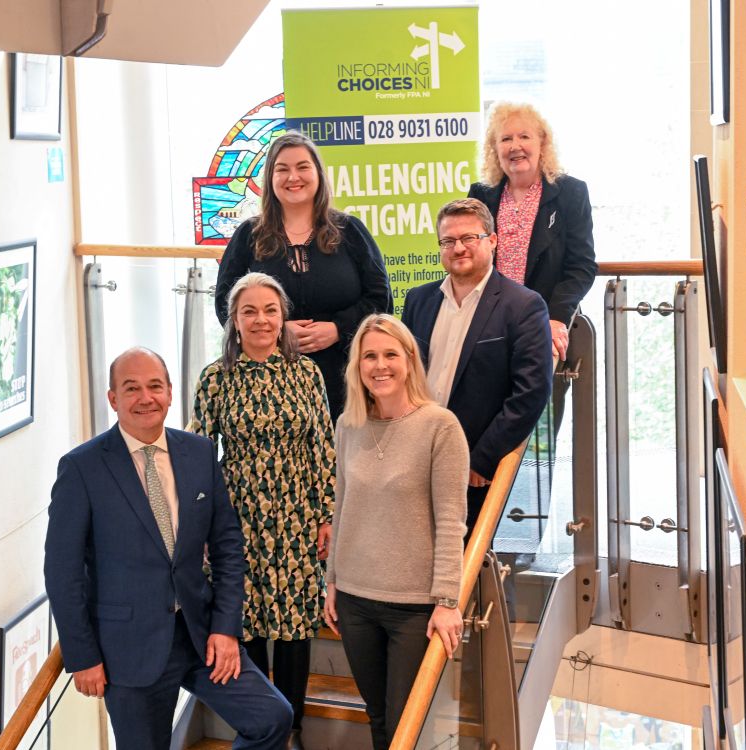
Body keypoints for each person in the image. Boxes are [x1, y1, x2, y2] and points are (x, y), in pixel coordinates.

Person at [45, 347, 292, 750]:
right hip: (127, 648)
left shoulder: (198, 452)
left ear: (170, 392)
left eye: (155, 386)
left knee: (272, 718)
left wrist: (226, 629)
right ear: (113, 399)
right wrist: (82, 655)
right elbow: (62, 572)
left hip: (200, 636)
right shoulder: (82, 468)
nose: (146, 398)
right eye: (132, 388)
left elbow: (228, 547)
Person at [190, 272, 335, 750]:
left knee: (294, 628)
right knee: (245, 621)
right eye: (249, 311)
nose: (260, 319)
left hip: (297, 517)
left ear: (283, 316)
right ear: (234, 319)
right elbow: (197, 456)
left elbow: (322, 448)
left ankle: (290, 729)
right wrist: (202, 527)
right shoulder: (215, 378)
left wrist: (327, 513)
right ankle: (257, 724)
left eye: (270, 310)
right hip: (238, 521)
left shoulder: (306, 373)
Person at [323, 314, 468, 750]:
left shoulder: (440, 427)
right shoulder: (348, 426)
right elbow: (342, 507)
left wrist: (446, 600)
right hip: (354, 600)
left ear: (409, 361)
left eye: (390, 354)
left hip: (413, 608)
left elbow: (450, 523)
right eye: (369, 356)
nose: (379, 365)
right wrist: (332, 580)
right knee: (378, 715)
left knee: (407, 722)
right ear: (357, 367)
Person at [215, 131, 393, 419]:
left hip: (347, 383)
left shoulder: (350, 231)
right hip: (269, 385)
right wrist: (275, 332)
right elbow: (226, 304)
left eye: (302, 167)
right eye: (282, 169)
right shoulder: (248, 236)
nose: (292, 177)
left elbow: (381, 301)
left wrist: (337, 329)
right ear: (270, 180)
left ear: (318, 174)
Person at [402, 198, 553, 535]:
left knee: (470, 566)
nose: (458, 248)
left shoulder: (523, 305)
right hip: (417, 460)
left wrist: (482, 458)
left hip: (474, 468)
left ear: (493, 241)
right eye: (448, 241)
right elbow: (404, 379)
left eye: (469, 238)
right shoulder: (418, 301)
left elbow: (531, 392)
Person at [468, 102, 597, 362]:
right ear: (495, 149)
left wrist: (556, 319)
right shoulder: (480, 196)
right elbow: (470, 262)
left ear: (542, 144)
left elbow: (581, 267)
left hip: (547, 325)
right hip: (489, 327)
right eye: (505, 139)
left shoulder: (571, 193)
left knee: (541, 402)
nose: (515, 146)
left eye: (524, 136)